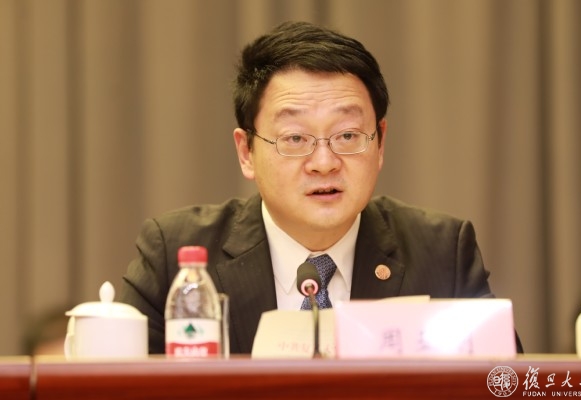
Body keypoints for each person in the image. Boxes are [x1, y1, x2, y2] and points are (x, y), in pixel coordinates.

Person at [118, 21, 523, 354]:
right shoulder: (176, 255)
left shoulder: (442, 253)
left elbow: (503, 385)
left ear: (380, 142)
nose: (324, 162)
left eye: (347, 135)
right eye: (295, 138)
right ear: (246, 152)